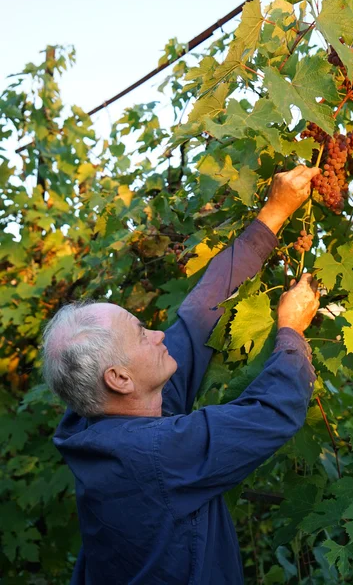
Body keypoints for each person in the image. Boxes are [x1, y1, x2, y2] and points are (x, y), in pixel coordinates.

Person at [43, 165, 321, 585]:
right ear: (119, 378)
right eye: (141, 335)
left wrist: (273, 216)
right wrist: (290, 331)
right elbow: (271, 412)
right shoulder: (154, 454)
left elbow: (195, 320)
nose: (158, 335)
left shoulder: (103, 419)